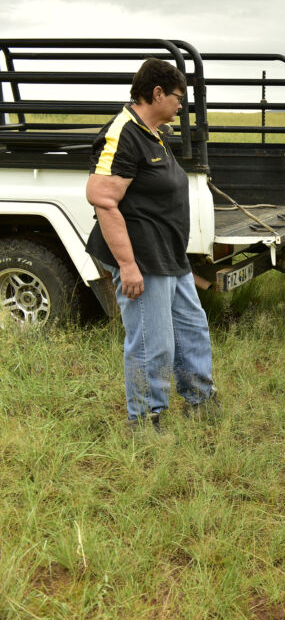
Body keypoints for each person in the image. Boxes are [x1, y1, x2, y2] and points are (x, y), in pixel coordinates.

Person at [85, 58, 217, 434]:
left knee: (193, 330)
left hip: (170, 256)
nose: (181, 105)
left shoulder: (153, 131)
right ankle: (144, 420)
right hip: (141, 259)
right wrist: (127, 266)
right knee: (151, 341)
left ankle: (201, 401)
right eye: (178, 97)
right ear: (156, 93)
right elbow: (102, 198)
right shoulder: (123, 133)